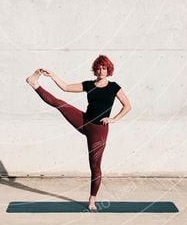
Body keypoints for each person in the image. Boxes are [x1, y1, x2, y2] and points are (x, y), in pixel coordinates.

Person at [25, 54, 132, 211]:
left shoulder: (114, 87)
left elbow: (127, 106)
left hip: (99, 130)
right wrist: (53, 76)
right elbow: (66, 87)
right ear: (94, 70)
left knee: (95, 166)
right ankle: (34, 83)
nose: (101, 71)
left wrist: (114, 119)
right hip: (84, 121)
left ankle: (92, 200)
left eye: (104, 68)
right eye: (99, 68)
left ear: (109, 70)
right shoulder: (89, 85)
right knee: (60, 103)